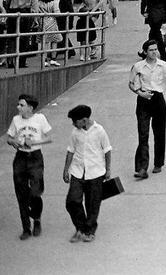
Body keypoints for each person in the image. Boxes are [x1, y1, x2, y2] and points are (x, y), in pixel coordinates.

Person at [129, 39, 166, 179]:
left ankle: (158, 162)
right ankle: (142, 168)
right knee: (143, 134)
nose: (154, 52)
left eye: (156, 49)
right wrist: (140, 93)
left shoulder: (163, 66)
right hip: (144, 99)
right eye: (151, 50)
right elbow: (131, 84)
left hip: (158, 100)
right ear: (145, 52)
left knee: (159, 132)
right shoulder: (138, 66)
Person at [6, 93, 52, 239]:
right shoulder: (16, 120)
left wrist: (35, 143)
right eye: (18, 104)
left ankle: (36, 218)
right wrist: (14, 142)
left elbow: (50, 138)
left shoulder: (40, 119)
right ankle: (26, 228)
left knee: (36, 192)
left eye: (21, 105)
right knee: (21, 194)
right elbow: (9, 137)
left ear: (30, 108)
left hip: (35, 158)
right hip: (20, 158)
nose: (18, 107)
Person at [63, 104, 111, 244]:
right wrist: (66, 170)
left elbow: (107, 150)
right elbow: (70, 151)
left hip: (96, 172)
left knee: (92, 203)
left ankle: (89, 230)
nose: (73, 124)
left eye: (75, 121)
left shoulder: (100, 131)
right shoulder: (75, 132)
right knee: (72, 201)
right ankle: (80, 227)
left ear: (84, 120)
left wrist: (108, 170)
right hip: (77, 172)